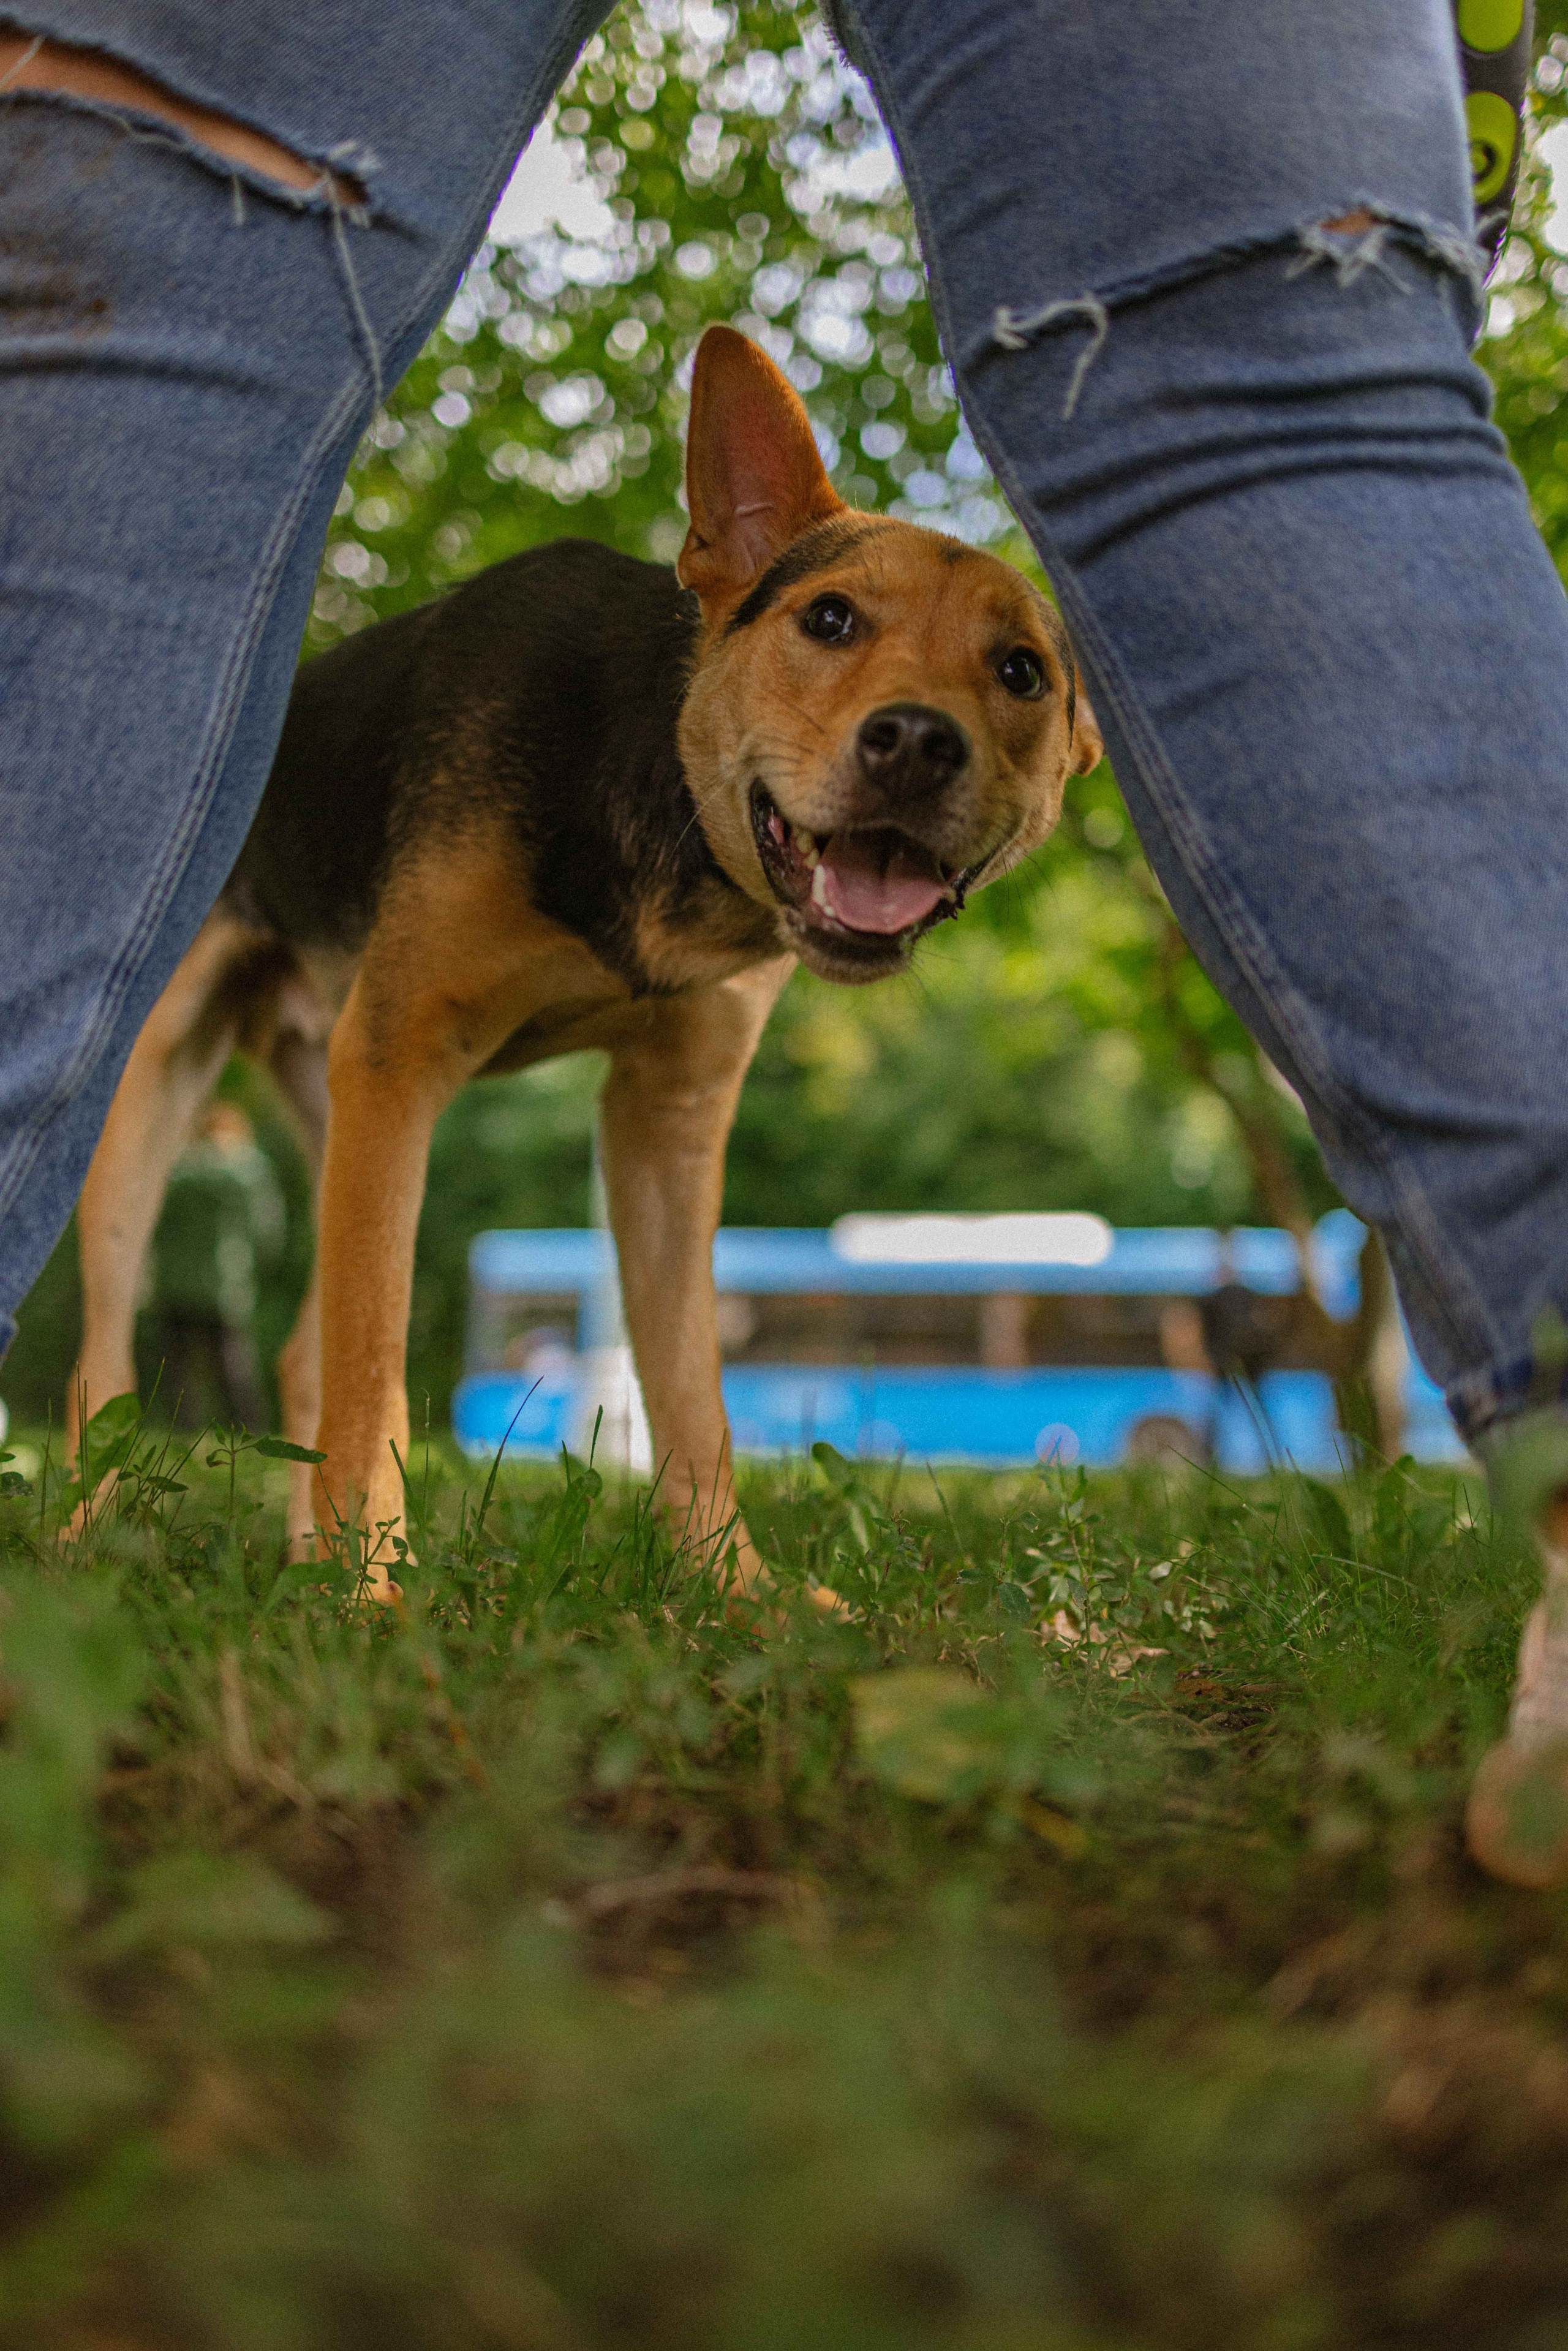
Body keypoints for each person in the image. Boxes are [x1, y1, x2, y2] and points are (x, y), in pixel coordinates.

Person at [0, 2, 1564, 1879]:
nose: (917, 721)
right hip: (282, 873)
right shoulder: (523, 741)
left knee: (182, 226)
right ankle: (151, 1435)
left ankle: (704, 1522)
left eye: (1009, 679)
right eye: (831, 625)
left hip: (673, 887)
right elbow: (386, 1056)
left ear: (1089, 744)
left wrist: (714, 1531)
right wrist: (372, 1497)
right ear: (724, 577)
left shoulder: (763, 899)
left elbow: (665, 1170)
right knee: (1255, 365)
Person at [145, 1101, 284, 1432]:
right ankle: (248, 1432)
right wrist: (259, 1266)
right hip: (227, 1283)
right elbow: (268, 1232)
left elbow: (153, 1224)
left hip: (173, 1282)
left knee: (176, 1367)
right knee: (232, 1367)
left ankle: (182, 1433)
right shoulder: (251, 1171)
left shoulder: (177, 1168)